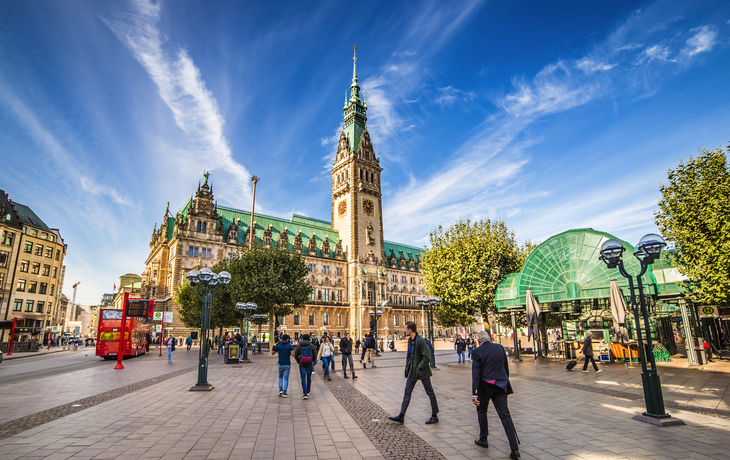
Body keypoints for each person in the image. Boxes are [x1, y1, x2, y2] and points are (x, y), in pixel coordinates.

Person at [471, 330, 519, 459]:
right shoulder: (499, 348)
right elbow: (505, 367)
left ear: (478, 341)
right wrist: (505, 381)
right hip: (500, 385)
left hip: (485, 386)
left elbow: (476, 374)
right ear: (489, 338)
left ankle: (483, 438)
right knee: (505, 415)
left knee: (482, 411)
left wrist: (475, 393)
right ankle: (514, 448)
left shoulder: (476, 352)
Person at [388, 322, 439, 425]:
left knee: (430, 392)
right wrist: (408, 368)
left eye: (406, 329)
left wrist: (419, 366)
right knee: (407, 392)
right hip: (413, 372)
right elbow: (409, 356)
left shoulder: (420, 341)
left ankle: (434, 415)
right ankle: (401, 416)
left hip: (422, 371)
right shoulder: (410, 341)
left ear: (410, 330)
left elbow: (427, 357)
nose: (405, 330)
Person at [294, 334, 316, 399]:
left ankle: (305, 392)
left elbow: (296, 355)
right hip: (309, 364)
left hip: (302, 364)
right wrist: (312, 361)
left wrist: (299, 361)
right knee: (309, 377)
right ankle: (308, 390)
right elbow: (315, 355)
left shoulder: (299, 345)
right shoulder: (311, 345)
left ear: (302, 338)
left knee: (303, 378)